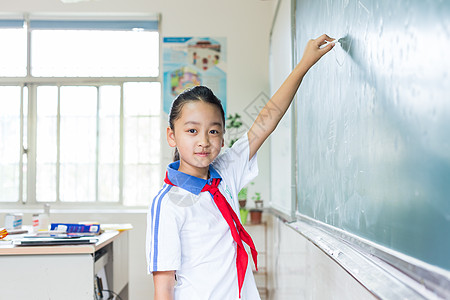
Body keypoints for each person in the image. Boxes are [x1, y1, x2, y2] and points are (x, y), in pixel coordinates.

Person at [146, 34, 335, 300]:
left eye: (213, 131)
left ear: (223, 138)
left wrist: (303, 64)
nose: (203, 141)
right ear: (172, 136)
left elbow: (266, 120)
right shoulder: (168, 204)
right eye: (191, 130)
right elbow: (163, 285)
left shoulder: (225, 173)